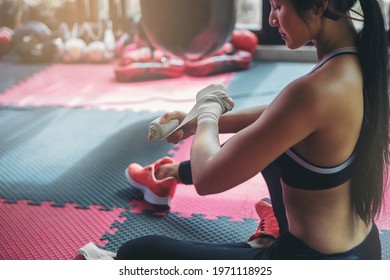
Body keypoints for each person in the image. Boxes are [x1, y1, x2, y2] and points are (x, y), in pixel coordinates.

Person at [116, 0, 389, 259]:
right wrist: (197, 122)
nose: (271, 19)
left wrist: (209, 109)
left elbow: (207, 177)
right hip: (361, 249)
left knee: (137, 253)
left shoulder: (313, 91)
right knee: (264, 143)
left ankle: (268, 237)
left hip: (308, 261)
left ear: (319, 5)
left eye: (278, 6)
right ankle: (171, 174)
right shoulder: (359, 62)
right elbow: (278, 117)